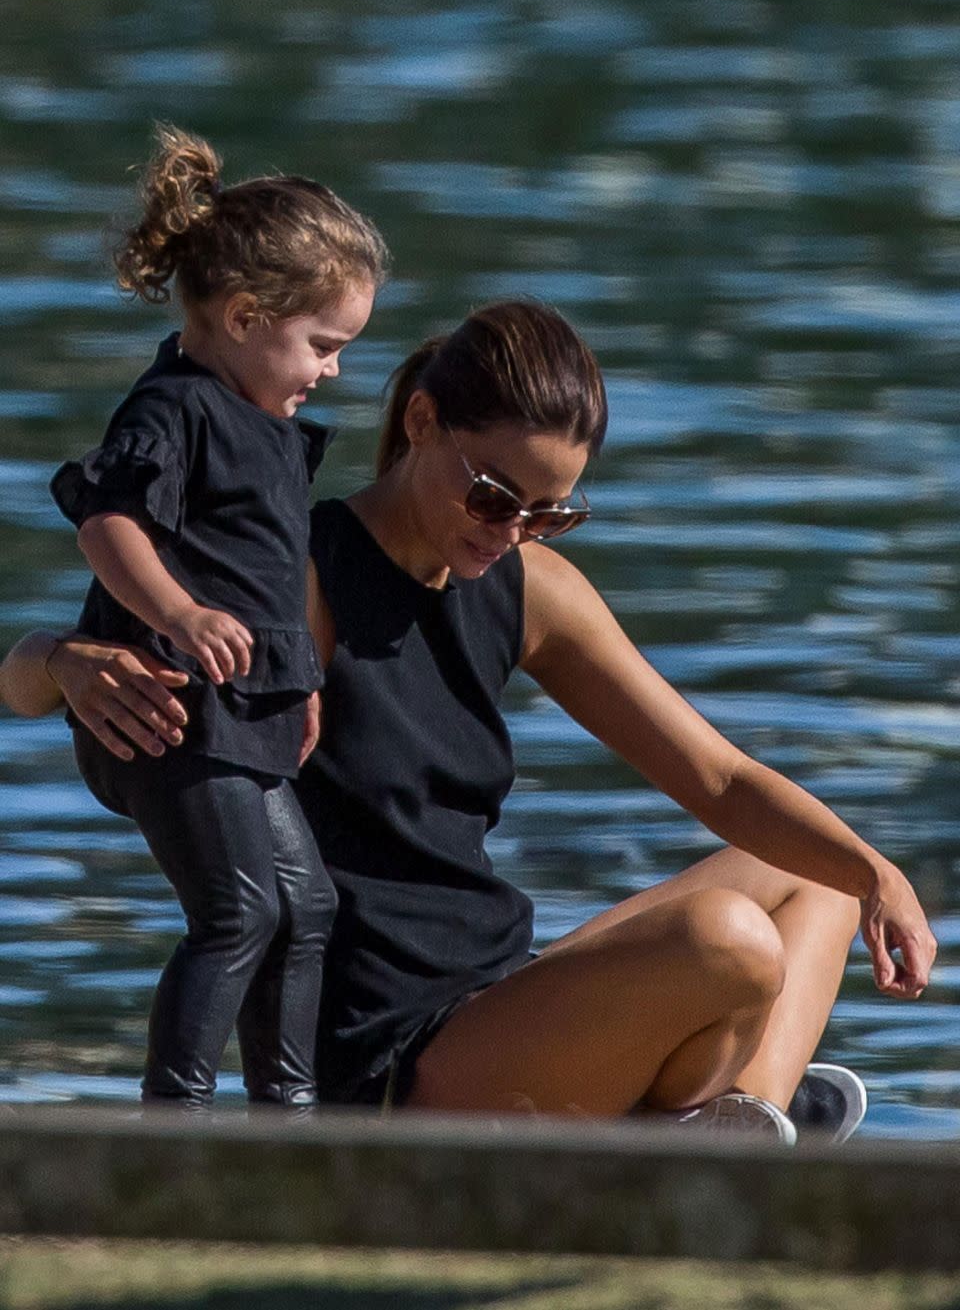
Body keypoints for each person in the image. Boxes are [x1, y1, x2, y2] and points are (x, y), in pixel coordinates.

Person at [2, 300, 936, 1142]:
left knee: (814, 871)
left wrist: (879, 874)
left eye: (547, 515)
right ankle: (706, 1129)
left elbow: (720, 779)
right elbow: (40, 677)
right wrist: (60, 662)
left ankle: (733, 1129)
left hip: (499, 1002)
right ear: (421, 423)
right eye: (494, 496)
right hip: (384, 1061)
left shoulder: (533, 593)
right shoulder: (300, 569)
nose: (509, 531)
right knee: (724, 937)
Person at [40, 124, 387, 1109]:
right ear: (242, 315)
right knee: (237, 909)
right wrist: (181, 612)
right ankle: (178, 1120)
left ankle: (286, 1112)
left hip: (249, 712)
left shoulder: (266, 423)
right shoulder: (175, 409)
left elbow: (271, 571)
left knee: (305, 905)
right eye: (322, 345)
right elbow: (105, 523)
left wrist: (302, 675)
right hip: (173, 715)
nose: (329, 370)